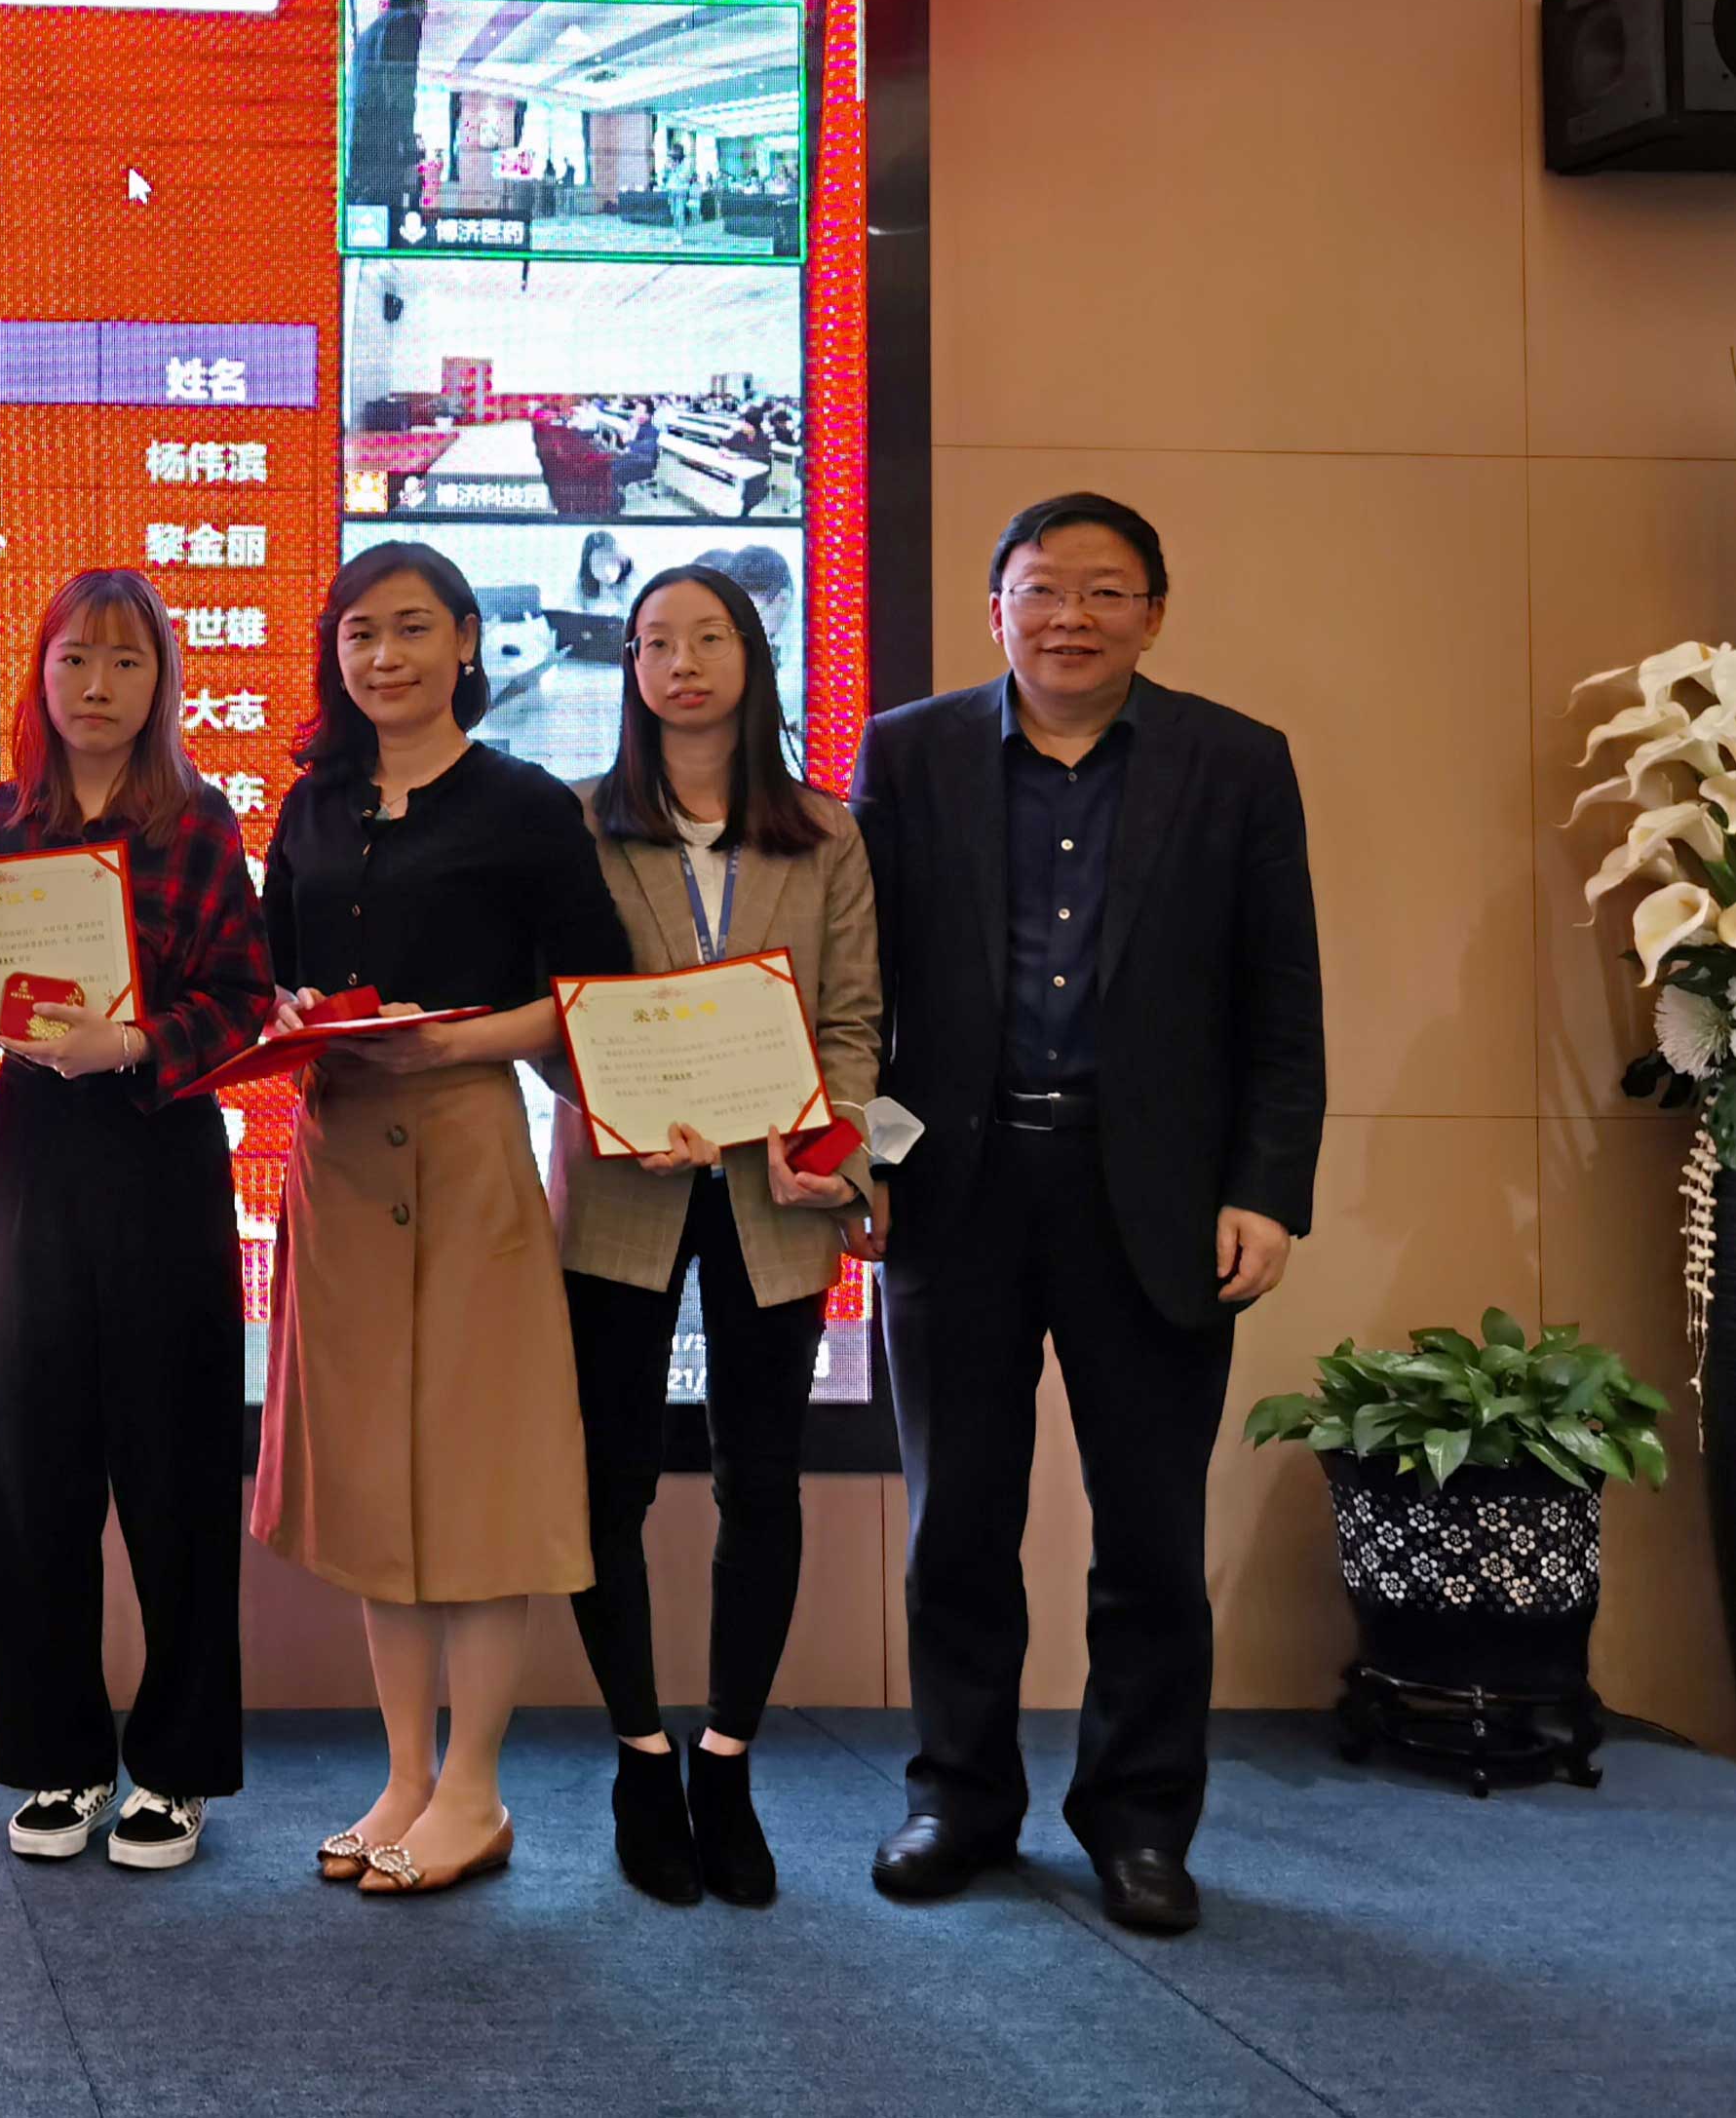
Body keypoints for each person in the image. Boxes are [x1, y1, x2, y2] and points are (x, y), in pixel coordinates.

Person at [851, 491, 1323, 1937]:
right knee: (956, 1526)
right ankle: (957, 1797)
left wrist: (1265, 1189)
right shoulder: (910, 752)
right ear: (994, 608)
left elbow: (1281, 1000)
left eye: (1106, 592)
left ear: (1153, 616)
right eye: (1043, 589)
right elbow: (857, 985)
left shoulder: (1235, 761)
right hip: (957, 1191)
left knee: (1151, 1539)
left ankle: (1140, 1822)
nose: (1070, 618)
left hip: (1158, 1204)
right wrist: (856, 1159)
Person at [0, 569, 273, 1872]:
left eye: (125, 662)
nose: (96, 686)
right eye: (74, 661)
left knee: (173, 1473)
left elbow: (244, 1001)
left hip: (159, 1150)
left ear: (161, 684)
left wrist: (135, 1043)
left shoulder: (199, 822)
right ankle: (59, 1759)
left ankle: (177, 1769)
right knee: (29, 1470)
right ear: (39, 676)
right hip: (30, 1157)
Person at [253, 539, 630, 1898]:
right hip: (341, 1157)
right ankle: (405, 1778)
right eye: (359, 633)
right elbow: (270, 980)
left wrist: (462, 1040)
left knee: (476, 1484)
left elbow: (594, 998)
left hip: (467, 1149)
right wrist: (287, 1013)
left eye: (411, 628)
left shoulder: (526, 805)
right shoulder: (310, 805)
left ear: (467, 641)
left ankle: (474, 1790)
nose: (384, 656)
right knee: (375, 1487)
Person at [547, 564, 878, 1909]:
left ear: (754, 653)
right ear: (628, 667)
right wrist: (616, 1103)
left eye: (708, 637)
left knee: (763, 1481)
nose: (680, 662)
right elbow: (553, 1015)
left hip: (773, 1197)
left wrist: (829, 1149)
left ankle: (728, 1763)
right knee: (609, 1484)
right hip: (620, 1190)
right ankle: (640, 1758)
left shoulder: (822, 831)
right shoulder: (579, 825)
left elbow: (852, 1022)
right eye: (654, 642)